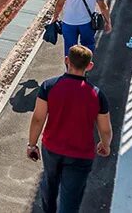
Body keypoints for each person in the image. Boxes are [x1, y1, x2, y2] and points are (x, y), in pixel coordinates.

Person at [28, 44, 112, 213]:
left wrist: (32, 144)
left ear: (67, 61)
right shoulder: (97, 94)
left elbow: (38, 118)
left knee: (49, 183)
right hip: (81, 154)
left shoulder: (48, 86)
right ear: (89, 66)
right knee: (70, 198)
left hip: (52, 148)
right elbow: (105, 129)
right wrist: (105, 144)